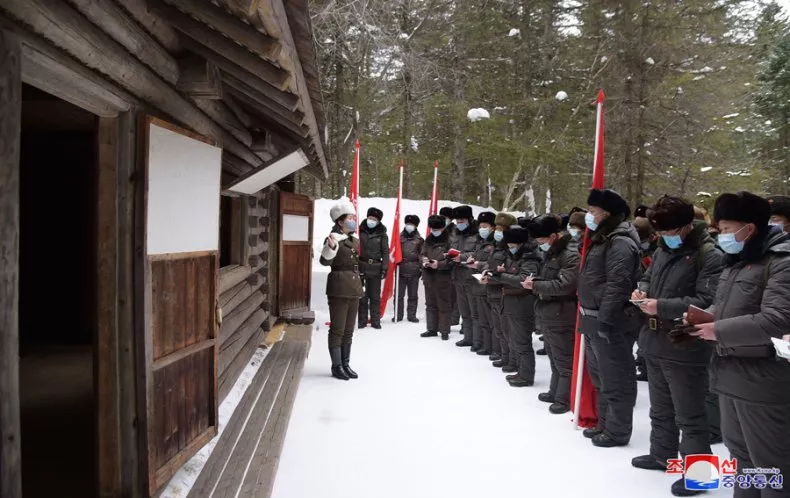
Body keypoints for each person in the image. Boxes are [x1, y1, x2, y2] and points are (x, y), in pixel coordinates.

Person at [693, 191, 790, 498]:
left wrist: (717, 330)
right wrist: (699, 318)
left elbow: (777, 319)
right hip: (730, 374)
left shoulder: (781, 262)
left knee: (769, 466)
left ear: (750, 227)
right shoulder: (737, 261)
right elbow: (728, 308)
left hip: (763, 380)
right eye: (719, 229)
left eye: (726, 229)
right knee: (742, 459)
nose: (721, 236)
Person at [629, 195, 723, 497]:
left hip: (685, 344)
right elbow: (648, 276)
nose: (664, 238)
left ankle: (700, 476)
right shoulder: (662, 250)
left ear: (685, 226)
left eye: (670, 232)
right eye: (661, 233)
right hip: (654, 340)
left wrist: (662, 307)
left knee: (691, 415)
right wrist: (641, 290)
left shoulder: (708, 254)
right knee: (661, 408)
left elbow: (708, 301)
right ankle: (662, 454)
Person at [577, 188, 641, 448]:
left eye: (592, 212)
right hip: (592, 316)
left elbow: (618, 284)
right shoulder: (601, 237)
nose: (588, 216)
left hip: (611, 320)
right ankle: (604, 423)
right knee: (600, 377)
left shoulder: (620, 241)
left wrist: (606, 318)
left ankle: (617, 431)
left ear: (607, 213)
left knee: (617, 377)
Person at [525, 215, 580, 413]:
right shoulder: (553, 253)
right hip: (548, 311)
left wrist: (536, 285)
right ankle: (555, 390)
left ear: (554, 236)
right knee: (554, 356)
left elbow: (566, 285)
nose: (540, 246)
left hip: (562, 312)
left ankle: (565, 398)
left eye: (542, 241)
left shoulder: (570, 254)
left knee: (564, 358)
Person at [487, 225, 542, 386]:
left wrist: (502, 275)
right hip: (510, 302)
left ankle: (526, 375)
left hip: (522, 304)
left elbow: (523, 280)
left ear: (520, 244)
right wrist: (497, 275)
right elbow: (511, 274)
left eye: (512, 246)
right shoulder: (515, 256)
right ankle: (518, 368)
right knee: (512, 339)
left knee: (522, 341)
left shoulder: (530, 259)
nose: (510, 249)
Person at [320, 200, 364, 380]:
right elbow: (325, 261)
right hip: (339, 287)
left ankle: (346, 363)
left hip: (354, 287)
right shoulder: (333, 239)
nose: (353, 220)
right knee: (337, 329)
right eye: (350, 218)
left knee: (348, 330)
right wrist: (330, 249)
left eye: (354, 217)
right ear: (340, 221)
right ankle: (337, 366)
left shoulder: (354, 240)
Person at [488, 213, 517, 366]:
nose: (497, 232)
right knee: (499, 328)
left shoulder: (511, 249)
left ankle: (512, 359)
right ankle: (504, 356)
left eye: (501, 229)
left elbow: (507, 272)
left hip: (504, 293)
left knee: (507, 330)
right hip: (493, 291)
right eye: (496, 228)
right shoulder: (496, 246)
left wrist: (493, 276)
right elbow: (491, 265)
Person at [632, 216, 658, 382]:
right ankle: (642, 362)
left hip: (656, 304)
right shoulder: (640, 251)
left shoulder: (657, 253)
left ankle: (647, 365)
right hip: (642, 299)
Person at [420, 215, 453, 340]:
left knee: (444, 304)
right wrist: (423, 260)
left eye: (437, 229)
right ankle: (432, 328)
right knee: (430, 304)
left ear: (443, 228)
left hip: (443, 278)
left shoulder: (449, 241)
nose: (434, 232)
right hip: (429, 277)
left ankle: (444, 330)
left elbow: (453, 260)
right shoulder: (428, 240)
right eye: (432, 229)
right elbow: (422, 253)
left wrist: (439, 264)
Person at [449, 205, 479, 347]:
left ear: (469, 219)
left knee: (474, 311)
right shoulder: (456, 233)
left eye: (462, 220)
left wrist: (462, 257)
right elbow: (452, 249)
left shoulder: (477, 234)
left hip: (472, 277)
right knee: (464, 310)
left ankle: (477, 339)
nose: (459, 223)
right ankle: (468, 337)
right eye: (458, 221)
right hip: (458, 276)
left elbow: (478, 253)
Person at [469, 211, 497, 356]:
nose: (482, 229)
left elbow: (494, 263)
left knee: (492, 320)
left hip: (490, 284)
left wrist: (479, 265)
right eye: (480, 226)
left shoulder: (496, 242)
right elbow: (473, 255)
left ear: (492, 227)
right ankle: (486, 346)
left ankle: (494, 348)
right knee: (482, 319)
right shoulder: (479, 241)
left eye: (485, 226)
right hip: (478, 284)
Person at [358, 207, 389, 329]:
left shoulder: (382, 235)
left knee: (375, 296)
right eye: (370, 218)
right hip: (362, 266)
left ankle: (375, 320)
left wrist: (384, 268)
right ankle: (362, 320)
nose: (371, 220)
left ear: (378, 221)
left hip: (376, 267)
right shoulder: (360, 230)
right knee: (362, 296)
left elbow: (385, 252)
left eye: (374, 219)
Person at [397, 214, 424, 322]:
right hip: (401, 270)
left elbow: (422, 254)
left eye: (412, 224)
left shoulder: (420, 239)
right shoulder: (398, 237)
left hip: (414, 271)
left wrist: (421, 268)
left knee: (413, 295)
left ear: (416, 226)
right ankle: (398, 314)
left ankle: (411, 315)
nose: (409, 226)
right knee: (399, 295)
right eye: (407, 224)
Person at [440, 206, 460, 326]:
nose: (444, 220)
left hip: (453, 264)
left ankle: (454, 318)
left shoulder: (455, 230)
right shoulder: (439, 228)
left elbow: (455, 245)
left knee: (454, 295)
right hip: (441, 265)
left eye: (446, 218)